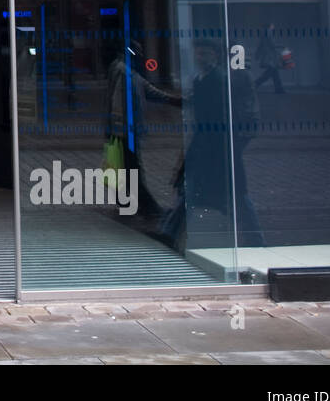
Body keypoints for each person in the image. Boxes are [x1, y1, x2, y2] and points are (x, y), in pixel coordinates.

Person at [160, 39, 265, 250]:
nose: (200, 58)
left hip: (217, 148)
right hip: (207, 146)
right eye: (198, 54)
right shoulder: (203, 79)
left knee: (235, 194)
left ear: (216, 56)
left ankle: (255, 238)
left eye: (205, 54)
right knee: (192, 190)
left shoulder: (218, 80)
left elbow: (225, 116)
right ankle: (169, 234)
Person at [105, 40, 181, 216]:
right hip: (124, 131)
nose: (140, 56)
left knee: (123, 166)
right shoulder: (123, 72)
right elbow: (117, 103)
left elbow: (149, 90)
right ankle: (147, 207)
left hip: (123, 130)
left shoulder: (128, 72)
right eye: (137, 52)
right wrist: (119, 130)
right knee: (132, 168)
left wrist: (173, 100)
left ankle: (125, 201)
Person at [253, 23, 285, 94]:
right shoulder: (268, 32)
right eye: (273, 25)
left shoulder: (264, 33)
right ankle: (254, 84)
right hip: (270, 56)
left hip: (268, 55)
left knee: (274, 72)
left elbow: (261, 45)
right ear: (270, 25)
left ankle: (279, 89)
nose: (274, 26)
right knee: (270, 72)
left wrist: (257, 54)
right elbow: (272, 44)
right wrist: (281, 46)